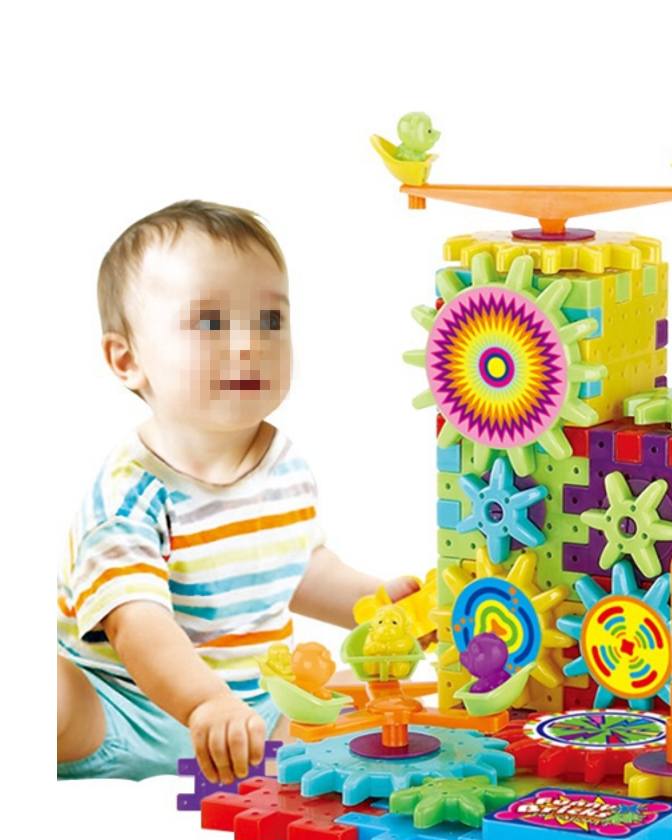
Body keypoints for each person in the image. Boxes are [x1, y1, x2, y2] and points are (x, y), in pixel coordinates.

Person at [57, 200, 417, 784]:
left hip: (253, 716)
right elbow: (136, 623)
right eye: (210, 322)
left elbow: (295, 569)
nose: (249, 345)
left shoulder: (284, 465)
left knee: (371, 708)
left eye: (270, 320)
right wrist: (205, 703)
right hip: (124, 710)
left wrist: (377, 606)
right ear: (128, 360)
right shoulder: (131, 494)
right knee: (50, 692)